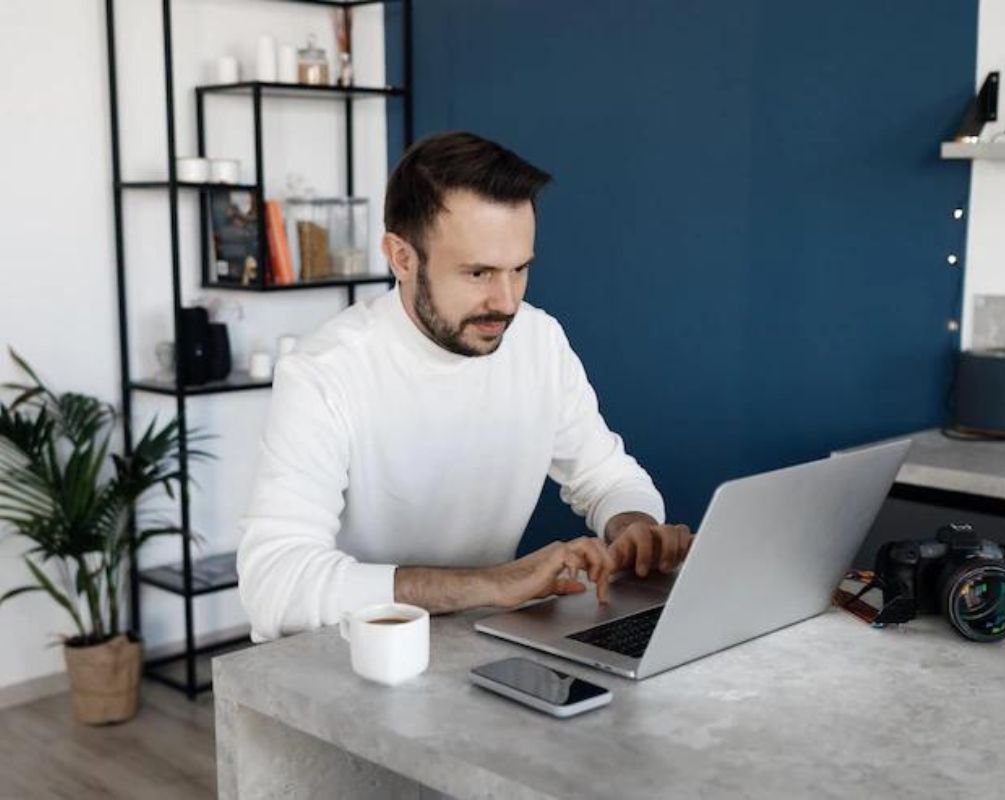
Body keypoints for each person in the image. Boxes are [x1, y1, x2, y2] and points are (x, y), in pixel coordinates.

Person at [238, 131, 693, 641]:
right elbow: (273, 586)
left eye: (520, 269)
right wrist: (491, 584)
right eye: (478, 272)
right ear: (401, 257)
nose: (506, 301)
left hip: (474, 647)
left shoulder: (538, 341)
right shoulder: (324, 372)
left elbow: (607, 477)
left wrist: (632, 528)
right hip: (346, 659)